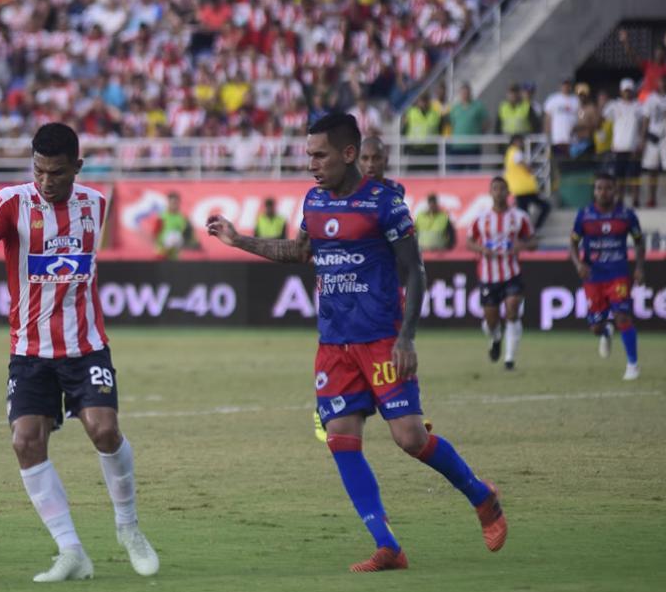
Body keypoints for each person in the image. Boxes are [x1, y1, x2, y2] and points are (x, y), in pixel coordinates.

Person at [206, 113, 506, 572]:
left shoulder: (385, 204)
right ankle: (388, 546)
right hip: (334, 345)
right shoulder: (313, 201)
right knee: (342, 439)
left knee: (409, 438)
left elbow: (415, 271)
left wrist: (407, 336)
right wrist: (238, 239)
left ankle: (482, 497)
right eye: (308, 155)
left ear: (349, 154)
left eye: (320, 154)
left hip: (382, 340)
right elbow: (301, 252)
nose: (312, 164)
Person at [0, 122, 158, 582]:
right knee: (26, 440)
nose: (47, 181)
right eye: (40, 170)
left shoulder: (96, 205)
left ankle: (129, 529)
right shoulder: (10, 202)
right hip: (29, 349)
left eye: (58, 173)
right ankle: (71, 551)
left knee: (104, 431)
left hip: (86, 345)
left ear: (77, 168)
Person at [570, 173, 645, 380]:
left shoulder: (627, 215)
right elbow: (573, 243)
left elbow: (639, 241)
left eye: (608, 188)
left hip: (618, 274)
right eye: (599, 188)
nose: (603, 192)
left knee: (623, 316)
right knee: (595, 327)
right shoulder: (584, 215)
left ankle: (632, 365)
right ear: (594, 191)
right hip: (593, 276)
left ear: (615, 190)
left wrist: (639, 267)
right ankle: (605, 332)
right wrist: (578, 264)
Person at [467, 177, 537, 370]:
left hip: (511, 273)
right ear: (490, 192)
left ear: (508, 192)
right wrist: (481, 249)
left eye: (502, 189)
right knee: (491, 321)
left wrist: (521, 245)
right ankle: (496, 339)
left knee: (512, 309)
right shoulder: (481, 219)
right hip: (488, 276)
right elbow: (469, 242)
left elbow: (533, 242)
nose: (499, 192)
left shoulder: (519, 217)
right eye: (495, 189)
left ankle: (509, 359)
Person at [638, 75, 666, 207]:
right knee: (652, 169)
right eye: (661, 82)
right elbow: (646, 119)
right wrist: (642, 138)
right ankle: (652, 199)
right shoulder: (651, 98)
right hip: (654, 136)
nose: (663, 84)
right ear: (657, 83)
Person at [603, 78, 646, 204]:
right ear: (621, 91)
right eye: (625, 91)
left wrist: (641, 142)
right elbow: (603, 118)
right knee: (619, 176)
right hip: (618, 147)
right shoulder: (614, 105)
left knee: (634, 176)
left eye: (629, 90)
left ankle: (635, 200)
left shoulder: (639, 106)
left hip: (633, 147)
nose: (627, 93)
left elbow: (644, 124)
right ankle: (619, 199)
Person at [504, 134, 550, 228]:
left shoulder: (509, 153)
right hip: (524, 188)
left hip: (519, 188)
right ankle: (532, 230)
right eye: (520, 141)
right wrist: (532, 168)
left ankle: (528, 232)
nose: (522, 143)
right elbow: (526, 168)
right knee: (544, 207)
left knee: (524, 214)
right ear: (515, 141)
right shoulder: (516, 153)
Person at [151, 191, 197, 260]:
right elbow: (154, 234)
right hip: (162, 254)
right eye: (172, 203)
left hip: (176, 255)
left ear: (179, 203)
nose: (174, 205)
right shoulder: (161, 217)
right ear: (168, 203)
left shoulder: (183, 218)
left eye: (176, 203)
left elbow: (189, 236)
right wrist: (162, 246)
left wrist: (183, 242)